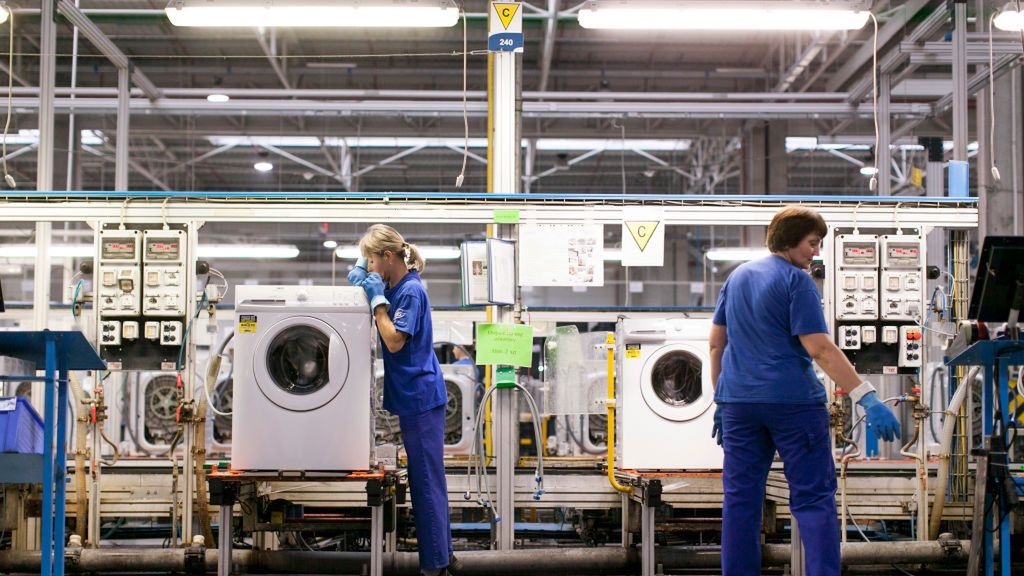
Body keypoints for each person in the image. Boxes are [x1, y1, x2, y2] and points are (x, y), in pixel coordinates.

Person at [709, 205, 901, 576]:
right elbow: (820, 349)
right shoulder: (796, 282)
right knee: (813, 500)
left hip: (739, 406)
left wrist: (721, 397)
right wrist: (867, 396)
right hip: (792, 404)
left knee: (740, 501)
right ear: (790, 240)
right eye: (812, 243)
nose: (816, 252)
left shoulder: (737, 277)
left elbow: (716, 344)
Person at [348, 224, 459, 576]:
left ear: (387, 257)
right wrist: (363, 275)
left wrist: (378, 304)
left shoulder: (409, 291)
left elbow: (394, 341)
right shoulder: (397, 286)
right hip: (414, 397)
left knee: (425, 481)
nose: (368, 267)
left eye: (371, 259)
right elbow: (363, 280)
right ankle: (444, 557)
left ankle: (435, 566)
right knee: (427, 478)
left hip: (421, 398)